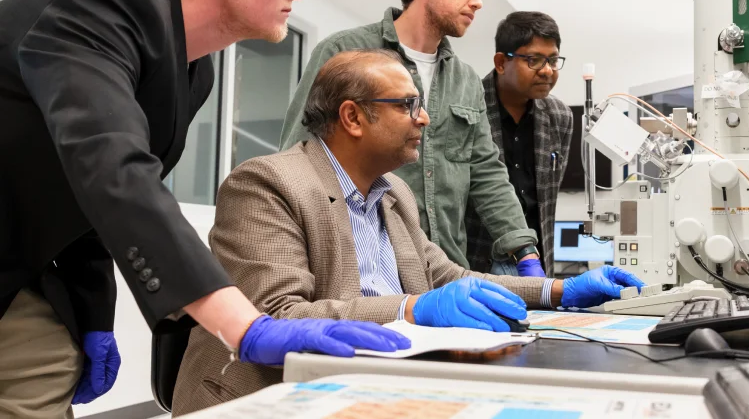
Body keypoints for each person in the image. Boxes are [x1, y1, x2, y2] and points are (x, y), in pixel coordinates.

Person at [0, 0, 406, 418]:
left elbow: (86, 200)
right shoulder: (106, 7)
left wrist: (94, 314)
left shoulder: (194, 71)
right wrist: (246, 327)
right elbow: (110, 168)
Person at [174, 50, 643, 414]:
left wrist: (559, 289)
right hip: (272, 397)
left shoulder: (393, 191)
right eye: (407, 105)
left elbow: (446, 276)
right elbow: (281, 317)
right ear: (353, 117)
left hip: (373, 380)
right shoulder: (267, 183)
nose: (424, 118)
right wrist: (411, 308)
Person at [279, 0, 545, 278]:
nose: (478, 2)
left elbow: (485, 172)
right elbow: (298, 157)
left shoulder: (466, 79)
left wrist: (524, 252)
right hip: (364, 275)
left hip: (445, 273)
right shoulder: (345, 51)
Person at [466, 12, 573, 276]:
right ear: (501, 62)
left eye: (553, 60)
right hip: (476, 259)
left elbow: (547, 201)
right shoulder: (467, 108)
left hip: (535, 261)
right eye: (534, 60)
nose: (547, 70)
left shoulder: (560, 116)